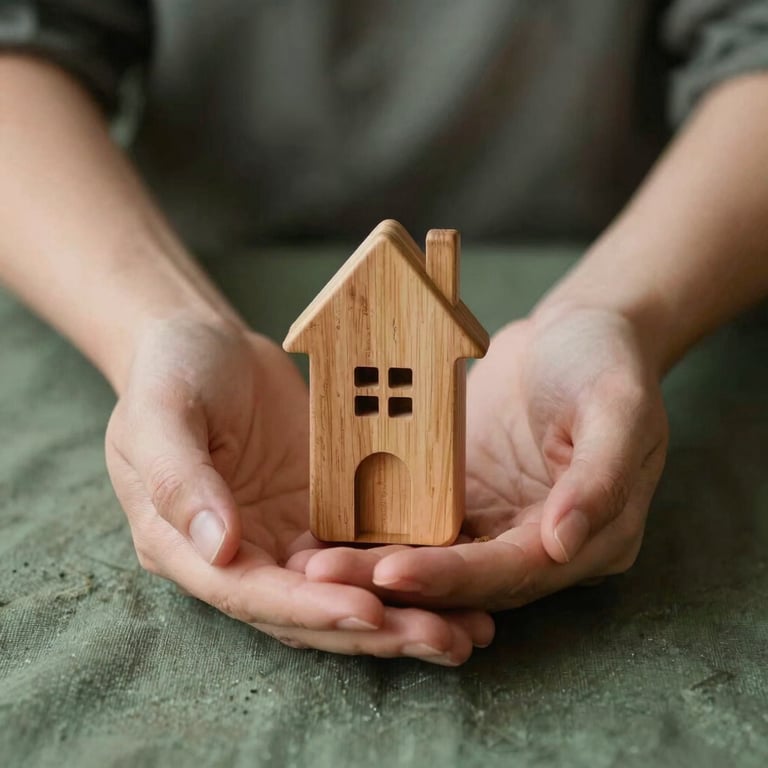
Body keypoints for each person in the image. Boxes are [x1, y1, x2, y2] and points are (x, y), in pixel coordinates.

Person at [1, 1, 767, 666]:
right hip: (154, 244)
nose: (381, 389)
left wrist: (618, 311)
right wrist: (159, 326)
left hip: (632, 238)